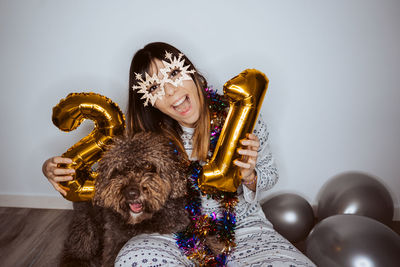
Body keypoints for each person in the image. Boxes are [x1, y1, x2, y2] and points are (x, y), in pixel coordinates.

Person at [42, 42, 315, 266]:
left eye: (172, 75)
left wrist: (249, 176)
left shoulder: (241, 121)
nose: (170, 90)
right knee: (131, 260)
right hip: (170, 234)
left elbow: (270, 173)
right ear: (148, 101)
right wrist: (52, 168)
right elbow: (104, 175)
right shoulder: (144, 138)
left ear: (191, 72)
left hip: (244, 230)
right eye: (153, 87)